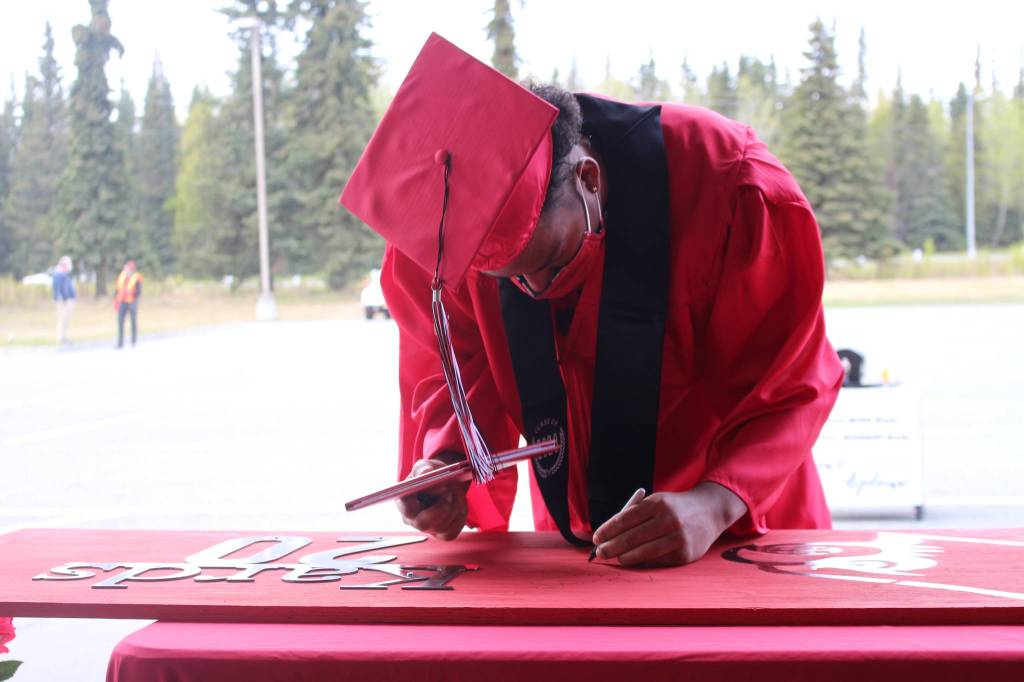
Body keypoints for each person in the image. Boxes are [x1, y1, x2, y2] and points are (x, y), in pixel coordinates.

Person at [340, 34, 843, 567]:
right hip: (587, 547)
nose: (536, 290)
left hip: (737, 528)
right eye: (506, 279)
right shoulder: (447, 230)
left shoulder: (724, 186)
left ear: (588, 179)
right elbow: (458, 370)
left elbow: (789, 381)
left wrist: (714, 504)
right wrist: (447, 464)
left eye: (551, 262)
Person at [114, 260, 143, 348]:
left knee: (133, 322)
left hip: (132, 302)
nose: (125, 269)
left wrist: (134, 299)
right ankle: (120, 343)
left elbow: (138, 291)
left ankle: (133, 341)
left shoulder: (137, 278)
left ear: (131, 269)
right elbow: (117, 289)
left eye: (127, 268)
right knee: (120, 322)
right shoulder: (121, 276)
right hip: (122, 302)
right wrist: (115, 300)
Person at [52, 255, 76, 345]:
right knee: (62, 319)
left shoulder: (64, 274)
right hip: (63, 301)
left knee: (66, 320)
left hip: (68, 299)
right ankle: (61, 338)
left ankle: (64, 337)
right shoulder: (58, 274)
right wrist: (62, 298)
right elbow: (58, 289)